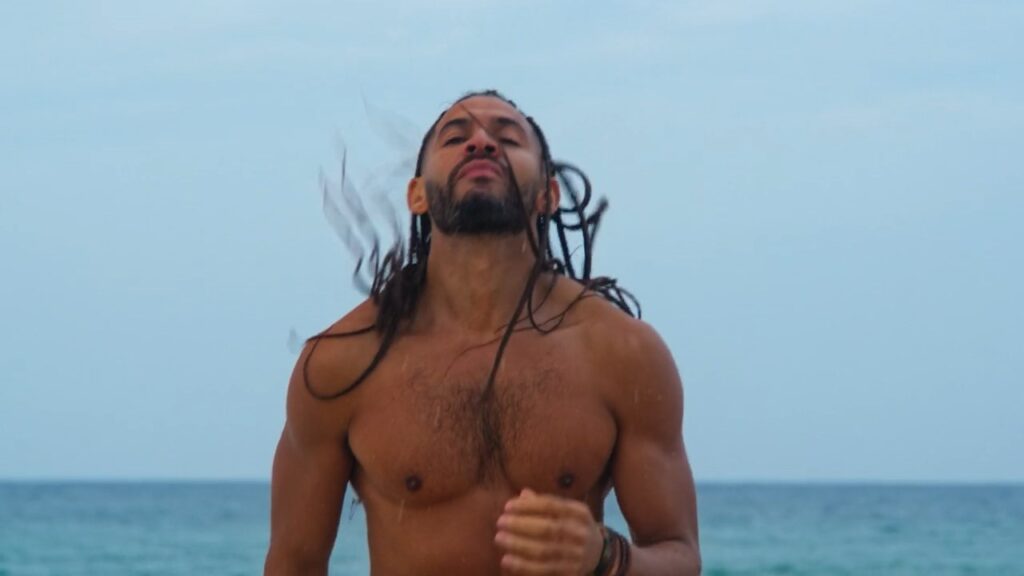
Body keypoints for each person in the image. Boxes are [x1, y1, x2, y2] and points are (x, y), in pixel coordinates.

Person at [264, 90, 701, 576]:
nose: (481, 143)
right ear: (417, 195)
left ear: (548, 195)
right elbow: (293, 563)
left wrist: (605, 558)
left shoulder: (623, 353)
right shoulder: (342, 362)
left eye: (508, 139)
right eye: (456, 138)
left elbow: (680, 556)